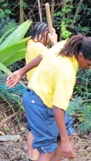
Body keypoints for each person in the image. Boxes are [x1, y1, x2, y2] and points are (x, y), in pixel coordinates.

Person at [6, 34, 91, 161]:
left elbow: (42, 56)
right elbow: (58, 109)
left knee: (67, 135)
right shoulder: (67, 73)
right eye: (90, 64)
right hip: (38, 104)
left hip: (46, 100)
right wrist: (65, 141)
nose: (90, 68)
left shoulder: (64, 46)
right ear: (81, 56)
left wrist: (21, 71)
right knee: (47, 149)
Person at [25, 22, 58, 161]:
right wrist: (54, 42)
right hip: (39, 93)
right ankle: (36, 156)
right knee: (39, 129)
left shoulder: (30, 44)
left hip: (32, 90)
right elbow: (57, 58)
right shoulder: (38, 47)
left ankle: (31, 157)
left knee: (32, 129)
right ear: (44, 34)